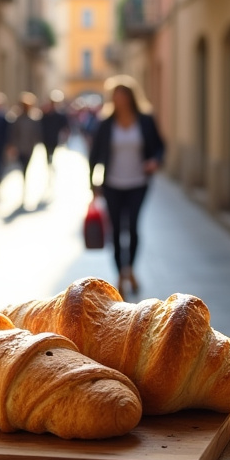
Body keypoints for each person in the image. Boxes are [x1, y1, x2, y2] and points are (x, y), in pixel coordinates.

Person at [88, 75, 166, 297]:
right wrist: (92, 184)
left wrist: (155, 161)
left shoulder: (145, 119)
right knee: (114, 229)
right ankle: (120, 274)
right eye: (116, 96)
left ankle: (129, 268)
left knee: (132, 227)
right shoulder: (105, 123)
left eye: (123, 95)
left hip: (138, 183)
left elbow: (160, 147)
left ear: (131, 97)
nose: (119, 99)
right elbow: (94, 156)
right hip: (112, 184)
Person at [7, 92, 43, 203]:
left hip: (29, 147)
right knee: (22, 166)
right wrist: (13, 146)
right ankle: (24, 182)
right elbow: (13, 133)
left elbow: (36, 134)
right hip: (20, 147)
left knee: (26, 166)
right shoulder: (17, 119)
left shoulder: (33, 119)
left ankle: (25, 182)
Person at [39, 90, 70, 186]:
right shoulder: (45, 114)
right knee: (47, 154)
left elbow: (65, 127)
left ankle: (51, 166)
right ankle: (49, 166)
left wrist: (65, 136)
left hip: (54, 139)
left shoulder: (59, 115)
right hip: (46, 138)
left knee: (52, 154)